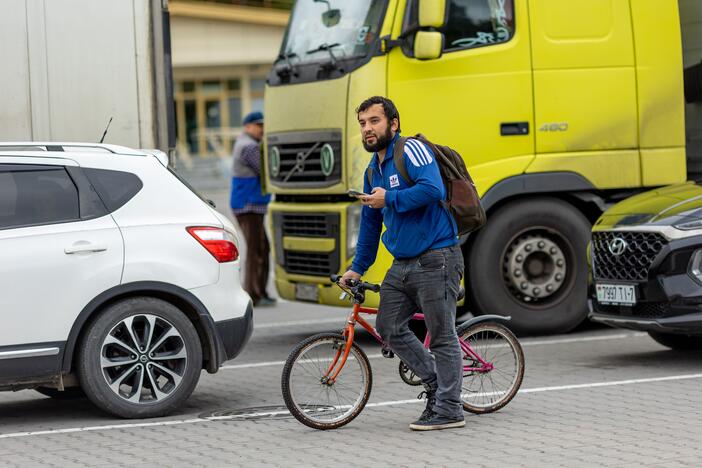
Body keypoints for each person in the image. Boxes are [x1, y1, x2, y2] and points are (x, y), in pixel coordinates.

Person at [340, 96, 465, 431]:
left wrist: (389, 198)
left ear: (393, 124)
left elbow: (433, 188)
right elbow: (370, 224)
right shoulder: (372, 170)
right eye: (363, 123)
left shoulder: (411, 150)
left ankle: (450, 409)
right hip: (403, 262)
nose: (367, 128)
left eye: (374, 121)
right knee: (389, 327)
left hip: (437, 257)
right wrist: (357, 268)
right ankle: (437, 383)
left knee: (441, 336)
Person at [231, 111, 275, 307]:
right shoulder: (248, 146)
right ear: (247, 126)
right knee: (256, 250)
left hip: (252, 204)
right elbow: (264, 169)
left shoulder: (246, 143)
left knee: (262, 248)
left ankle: (260, 291)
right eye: (258, 126)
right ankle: (253, 294)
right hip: (248, 205)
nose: (262, 129)